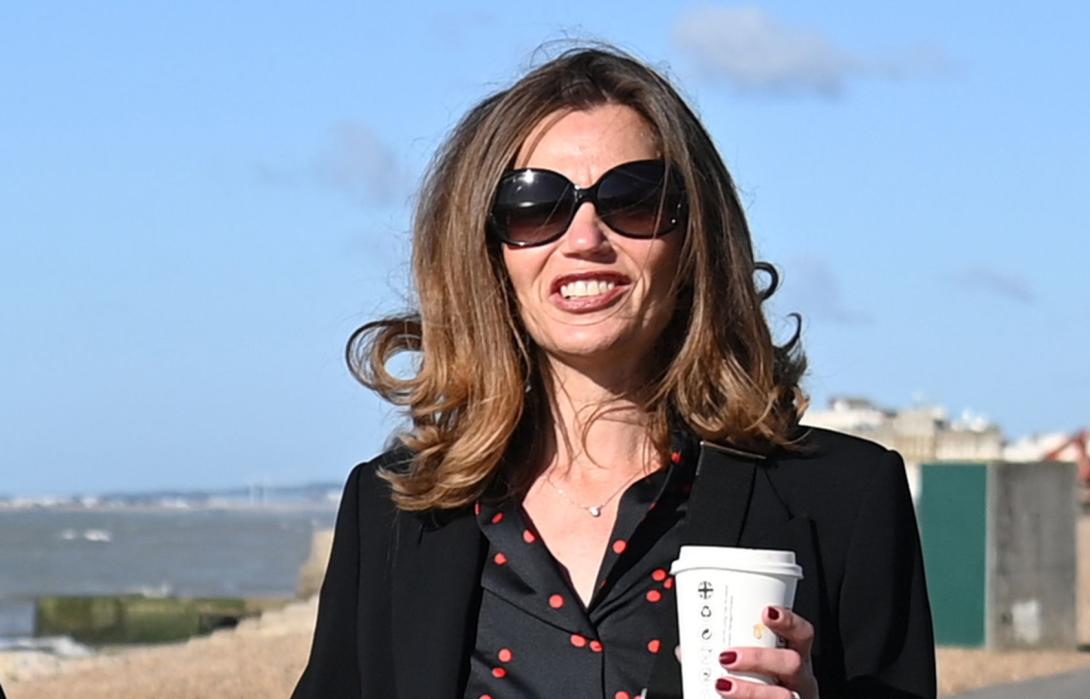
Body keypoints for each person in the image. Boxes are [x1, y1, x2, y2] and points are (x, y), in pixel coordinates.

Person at [294, 46, 935, 699]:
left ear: (694, 237)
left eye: (635, 199)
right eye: (534, 204)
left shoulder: (844, 498)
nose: (585, 237)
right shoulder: (396, 511)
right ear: (485, 249)